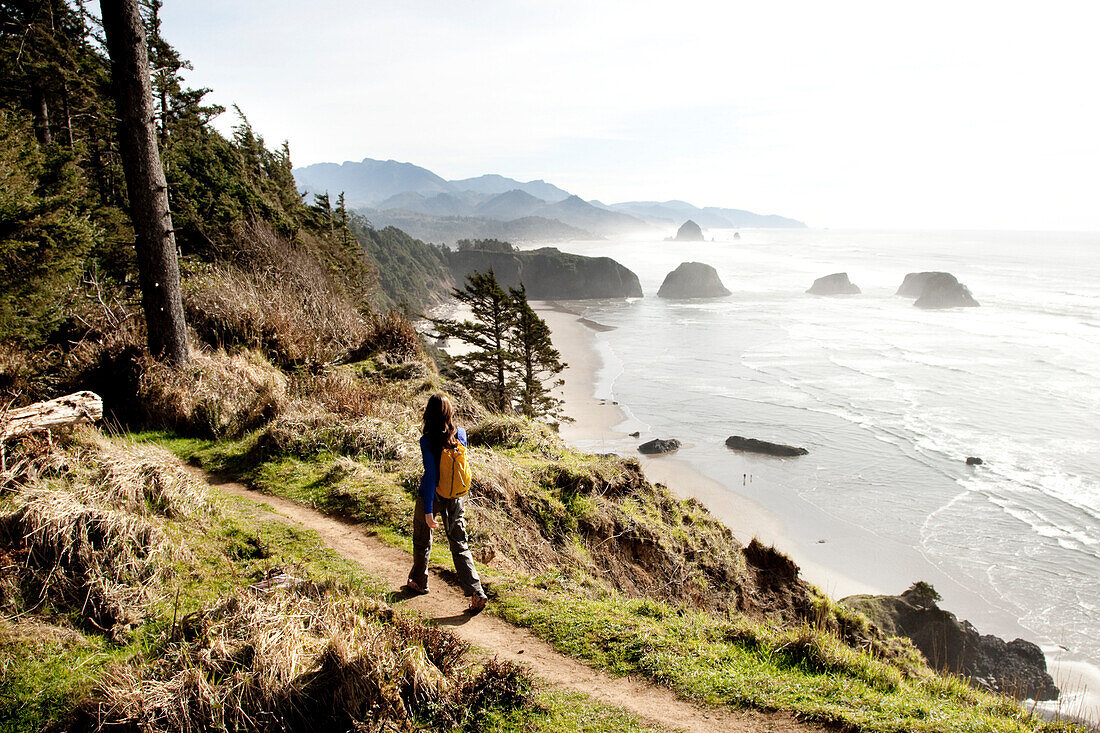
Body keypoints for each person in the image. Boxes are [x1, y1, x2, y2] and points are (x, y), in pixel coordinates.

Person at [405, 392, 488, 614]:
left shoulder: (427, 440)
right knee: (460, 544)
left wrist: (429, 511)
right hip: (456, 496)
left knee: (422, 540)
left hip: (430, 496)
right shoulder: (461, 434)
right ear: (449, 413)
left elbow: (431, 475)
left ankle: (419, 581)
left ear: (428, 415)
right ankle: (476, 591)